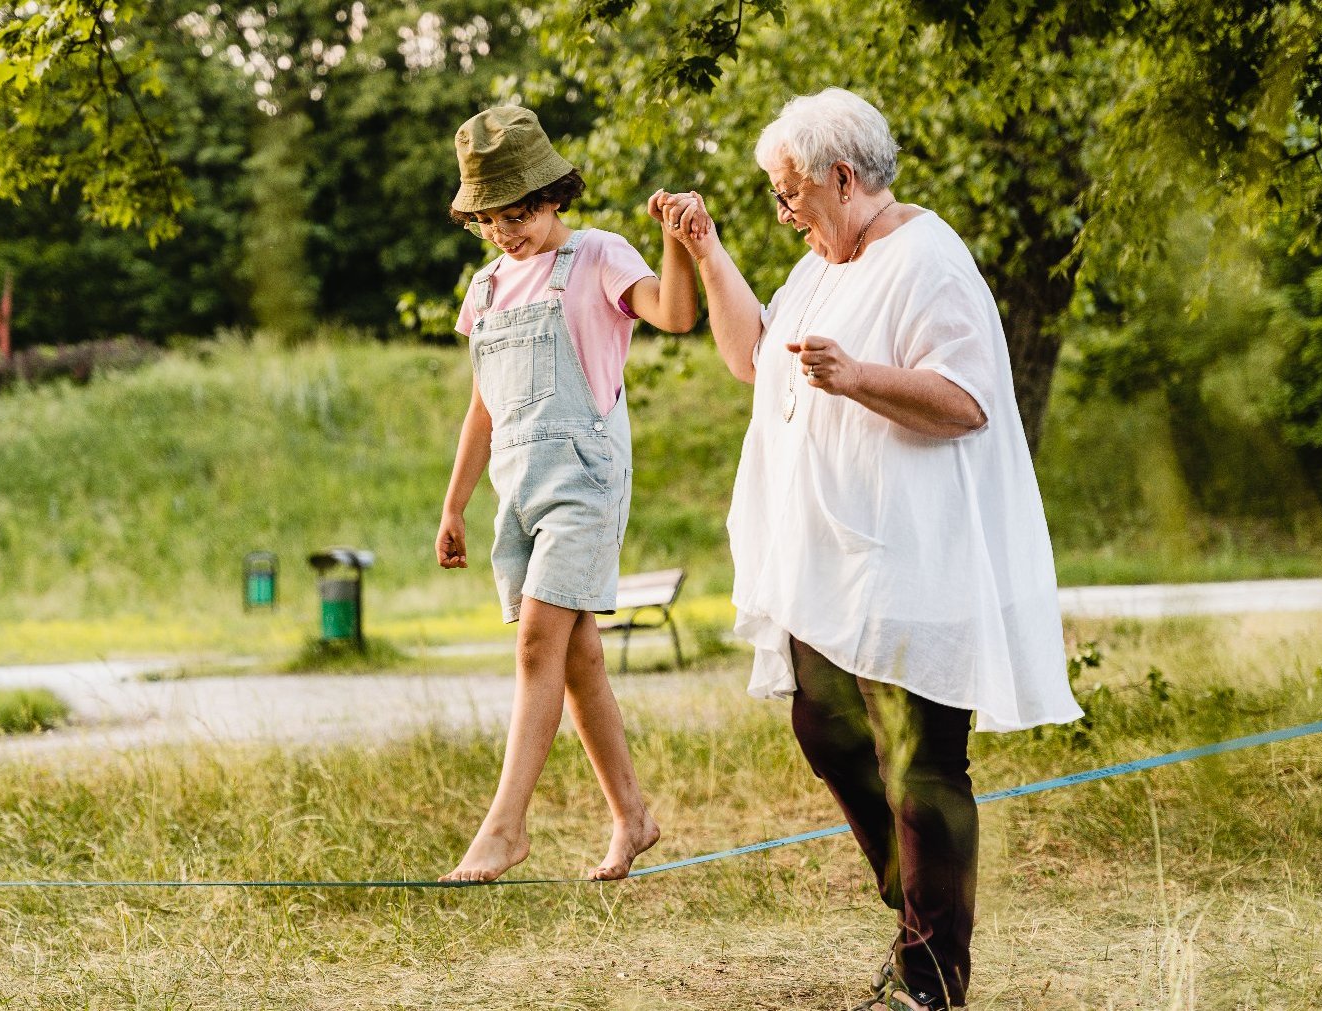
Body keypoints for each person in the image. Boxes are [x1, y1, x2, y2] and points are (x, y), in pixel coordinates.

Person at [659, 88, 1083, 1009]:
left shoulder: (929, 259)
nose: (785, 212)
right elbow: (753, 357)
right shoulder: (823, 264)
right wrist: (707, 250)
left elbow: (966, 400)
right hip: (830, 570)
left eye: (788, 193)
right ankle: (925, 913)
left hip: (914, 564)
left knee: (923, 766)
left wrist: (856, 378)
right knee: (827, 730)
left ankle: (932, 973)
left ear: (841, 178)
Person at [434, 106, 700, 883]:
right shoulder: (484, 288)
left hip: (583, 479)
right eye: (489, 218)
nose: (504, 231)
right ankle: (633, 816)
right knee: (577, 653)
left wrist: (677, 245)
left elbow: (676, 314)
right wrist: (454, 503)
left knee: (536, 644)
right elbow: (482, 406)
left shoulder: (597, 256)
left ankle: (504, 827)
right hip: (516, 490)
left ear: (553, 196)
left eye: (517, 213)